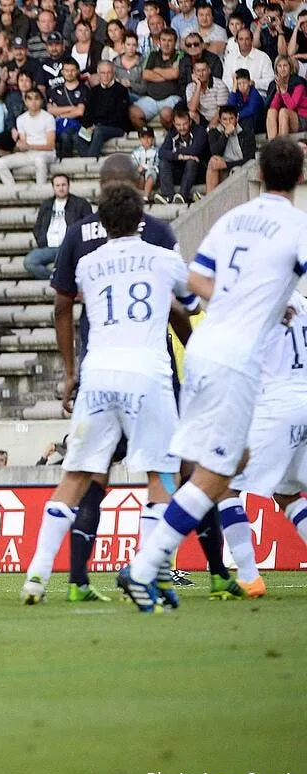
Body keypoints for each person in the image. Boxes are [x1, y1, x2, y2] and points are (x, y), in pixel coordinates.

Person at [121, 139, 307, 612]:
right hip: (237, 360)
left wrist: (238, 299)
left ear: (260, 173)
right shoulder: (296, 225)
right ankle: (145, 568)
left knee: (229, 463)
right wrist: (264, 304)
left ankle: (150, 563)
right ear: (299, 176)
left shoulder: (231, 219)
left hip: (203, 349)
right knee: (218, 472)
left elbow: (195, 280)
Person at [21, 183, 187, 606]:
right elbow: (186, 305)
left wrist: (71, 373)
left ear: (102, 223)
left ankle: (37, 575)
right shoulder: (164, 258)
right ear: (141, 218)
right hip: (148, 375)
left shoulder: (88, 264)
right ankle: (152, 572)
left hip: (98, 374)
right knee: (160, 475)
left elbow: (67, 305)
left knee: (75, 475)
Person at [217, 292, 307, 599]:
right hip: (303, 401)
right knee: (287, 493)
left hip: (275, 405)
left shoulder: (261, 297)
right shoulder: (302, 300)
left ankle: (248, 577)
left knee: (223, 485)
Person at [25, 175, 92, 280]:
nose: (61, 188)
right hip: (47, 247)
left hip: (67, 247)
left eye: (63, 185)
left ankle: (59, 274)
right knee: (29, 262)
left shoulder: (81, 204)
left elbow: (89, 225)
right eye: (58, 185)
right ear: (53, 187)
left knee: (60, 263)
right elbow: (38, 226)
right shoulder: (46, 204)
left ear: (69, 186)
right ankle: (54, 277)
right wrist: (41, 239)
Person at [0, 89, 56, 186]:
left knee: (39, 160)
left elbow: (50, 145)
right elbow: (23, 143)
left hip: (46, 153)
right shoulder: (21, 119)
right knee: (1, 163)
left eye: (36, 99)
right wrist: (19, 146)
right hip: (28, 153)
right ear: (25, 101)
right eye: (30, 99)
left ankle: (40, 190)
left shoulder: (48, 118)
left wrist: (30, 146)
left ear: (41, 101)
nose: (33, 102)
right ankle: (12, 190)